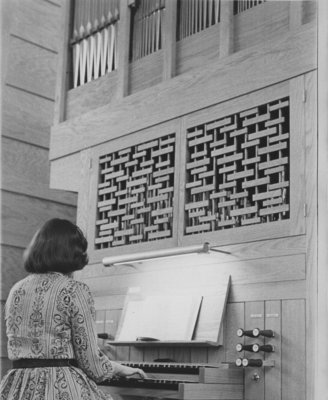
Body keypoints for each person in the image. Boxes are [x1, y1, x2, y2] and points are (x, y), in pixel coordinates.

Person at [0, 218, 146, 400]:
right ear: (73, 253)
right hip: (61, 388)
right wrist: (122, 368)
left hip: (17, 387)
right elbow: (93, 366)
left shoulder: (16, 290)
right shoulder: (75, 290)